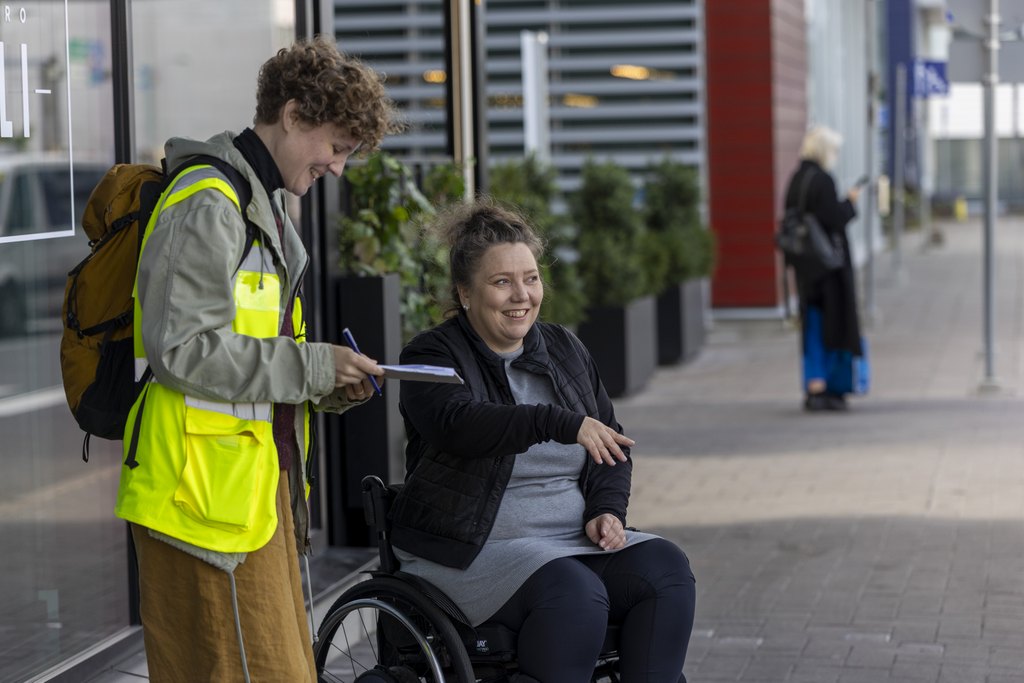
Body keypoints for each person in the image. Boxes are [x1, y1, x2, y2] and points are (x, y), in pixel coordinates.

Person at [113, 37, 398, 682]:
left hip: (237, 499)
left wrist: (328, 382)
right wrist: (316, 368)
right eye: (337, 147)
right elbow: (183, 349)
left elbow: (251, 350)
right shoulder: (211, 202)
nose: (339, 168)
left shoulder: (257, 201)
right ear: (293, 115)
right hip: (202, 504)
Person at [389, 199, 696, 683]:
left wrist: (607, 512)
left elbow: (610, 448)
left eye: (531, 278)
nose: (522, 295)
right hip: (472, 547)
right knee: (573, 594)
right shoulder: (431, 353)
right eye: (501, 281)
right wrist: (558, 422)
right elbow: (462, 426)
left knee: (666, 569)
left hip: (569, 542)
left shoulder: (563, 347)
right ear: (465, 293)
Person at [783, 125, 863, 412]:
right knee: (834, 327)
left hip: (806, 268)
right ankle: (829, 389)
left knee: (812, 328)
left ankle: (813, 385)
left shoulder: (796, 179)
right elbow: (835, 219)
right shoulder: (823, 180)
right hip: (829, 270)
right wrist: (850, 203)